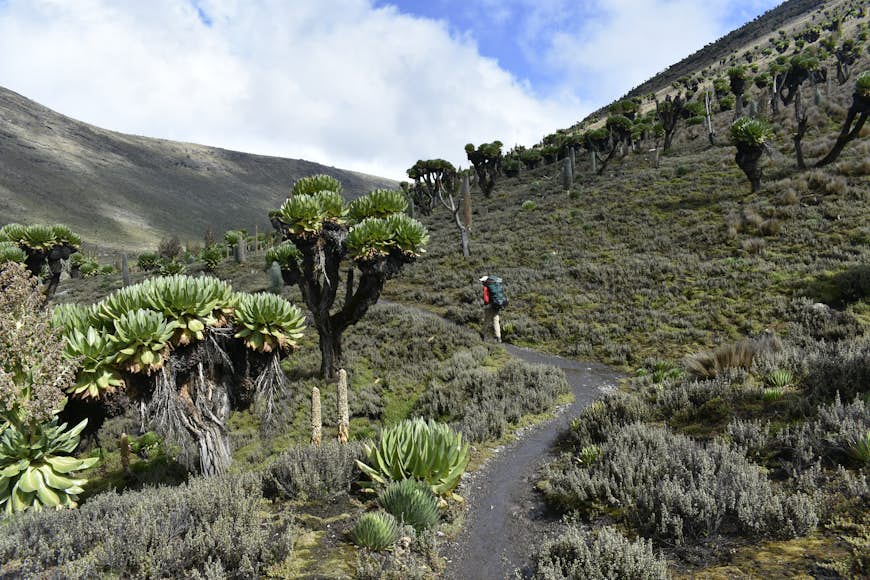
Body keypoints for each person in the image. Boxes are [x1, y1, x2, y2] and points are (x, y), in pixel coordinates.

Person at [479, 275, 505, 343]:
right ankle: (498, 337)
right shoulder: (496, 284)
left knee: (486, 321)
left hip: (490, 306)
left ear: (485, 281)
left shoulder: (486, 287)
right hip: (497, 305)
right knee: (496, 321)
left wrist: (486, 304)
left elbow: (486, 299)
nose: (482, 283)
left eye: (482, 281)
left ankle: (482, 335)